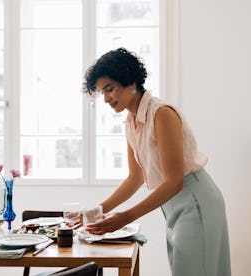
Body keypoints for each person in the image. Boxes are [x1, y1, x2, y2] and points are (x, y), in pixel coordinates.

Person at [82, 47, 231, 276]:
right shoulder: (131, 122)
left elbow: (174, 182)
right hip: (173, 206)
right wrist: (100, 211)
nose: (106, 99)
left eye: (110, 89)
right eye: (102, 92)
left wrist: (125, 218)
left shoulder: (162, 114)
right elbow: (135, 178)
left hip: (195, 200)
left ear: (130, 82)